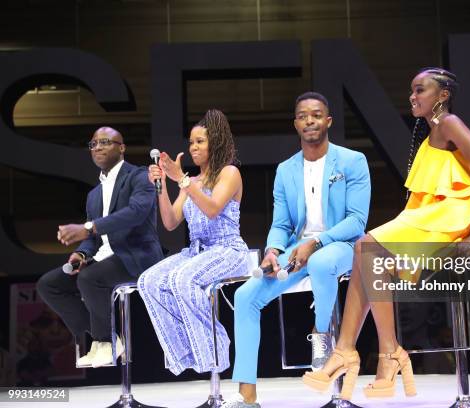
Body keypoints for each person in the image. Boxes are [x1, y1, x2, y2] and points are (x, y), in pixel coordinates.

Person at [303, 68, 470, 401]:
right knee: (367, 257)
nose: (413, 97)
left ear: (443, 95)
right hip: (433, 216)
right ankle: (362, 351)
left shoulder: (449, 123)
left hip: (450, 218)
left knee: (366, 248)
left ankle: (374, 352)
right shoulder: (432, 131)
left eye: (420, 90)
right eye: (411, 91)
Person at [225, 92, 371, 407]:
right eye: (303, 116)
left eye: (316, 115)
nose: (310, 121)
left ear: (328, 121)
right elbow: (281, 223)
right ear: (296, 124)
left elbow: (357, 221)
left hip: (341, 245)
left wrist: (316, 241)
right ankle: (247, 396)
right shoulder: (286, 169)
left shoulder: (352, 161)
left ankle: (321, 336)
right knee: (245, 296)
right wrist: (273, 250)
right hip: (297, 250)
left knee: (319, 262)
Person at [36, 127, 163, 368]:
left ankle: (106, 340)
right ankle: (100, 337)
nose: (98, 147)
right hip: (103, 259)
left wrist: (89, 227)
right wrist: (81, 253)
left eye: (105, 142)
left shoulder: (139, 176)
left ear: (121, 147)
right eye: (93, 144)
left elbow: (135, 214)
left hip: (136, 256)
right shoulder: (94, 194)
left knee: (89, 278)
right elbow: (92, 240)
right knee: (50, 284)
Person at [137, 109, 249, 376]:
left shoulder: (229, 173)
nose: (193, 147)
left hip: (228, 249)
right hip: (197, 251)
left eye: (200, 141)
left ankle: (214, 351)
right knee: (148, 282)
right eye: (191, 142)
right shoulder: (192, 182)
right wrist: (163, 185)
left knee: (181, 280)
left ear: (216, 143)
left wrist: (183, 180)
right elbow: (171, 221)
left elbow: (212, 209)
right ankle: (188, 352)